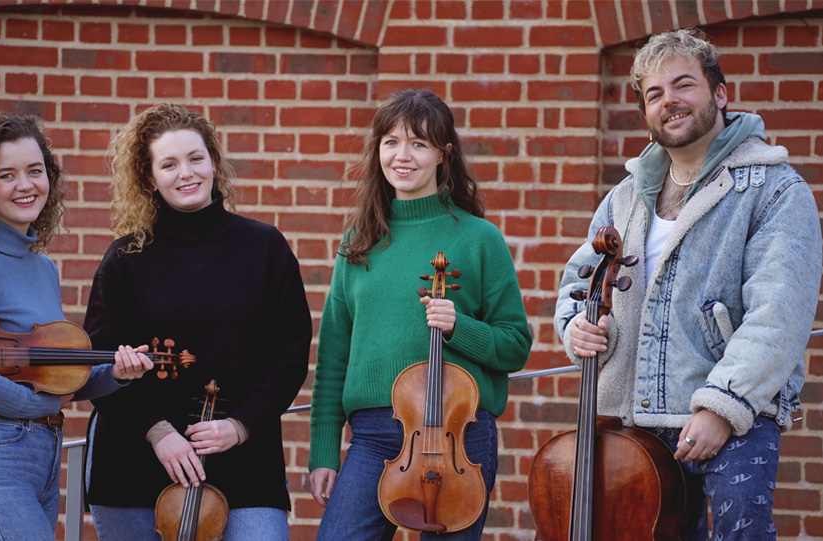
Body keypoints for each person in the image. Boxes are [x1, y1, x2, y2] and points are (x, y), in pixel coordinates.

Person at [555, 28, 822, 540]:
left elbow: (778, 315)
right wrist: (577, 330)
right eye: (654, 94)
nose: (669, 102)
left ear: (719, 94)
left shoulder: (774, 189)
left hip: (729, 419)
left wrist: (722, 407)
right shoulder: (625, 198)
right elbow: (578, 284)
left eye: (684, 85)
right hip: (632, 421)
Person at [308, 88, 533, 540]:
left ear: (443, 154)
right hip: (373, 438)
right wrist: (324, 451)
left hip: (458, 437)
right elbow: (333, 357)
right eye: (391, 142)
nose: (402, 156)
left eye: (418, 143)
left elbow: (515, 345)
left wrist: (459, 328)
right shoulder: (358, 243)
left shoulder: (478, 238)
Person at [0, 112, 152, 540]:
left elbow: (49, 382)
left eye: (34, 171)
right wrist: (37, 409)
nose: (25, 185)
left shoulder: (42, 268)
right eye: (6, 175)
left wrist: (116, 374)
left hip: (41, 456)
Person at [81, 103, 312, 540]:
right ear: (149, 177)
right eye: (168, 164)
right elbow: (98, 367)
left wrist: (240, 424)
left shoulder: (264, 248)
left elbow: (289, 355)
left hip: (245, 462)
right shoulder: (124, 260)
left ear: (213, 162)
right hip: (134, 465)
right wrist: (158, 432)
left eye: (195, 158)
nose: (185, 173)